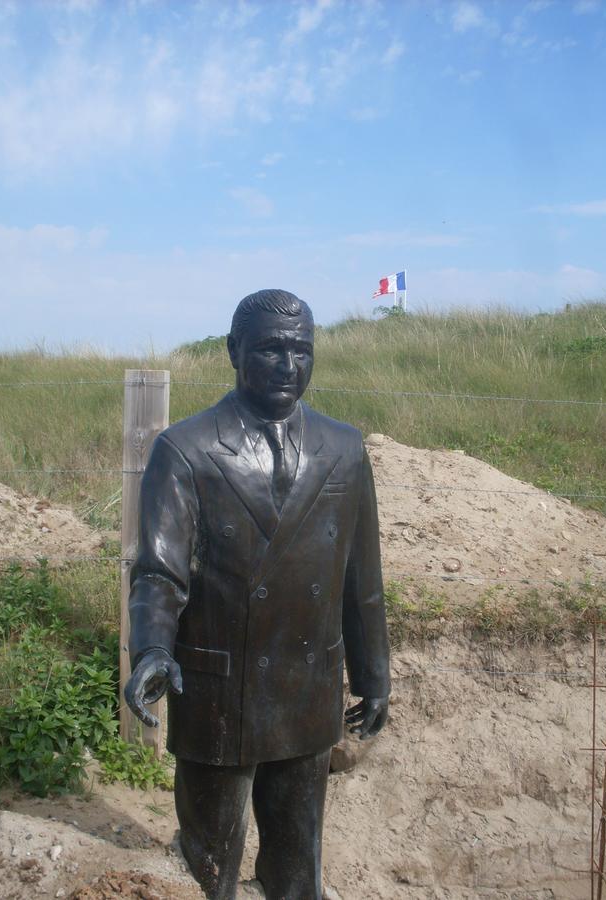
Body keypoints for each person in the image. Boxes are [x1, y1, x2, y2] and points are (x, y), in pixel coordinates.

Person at [124, 289, 390, 900]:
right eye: (270, 350)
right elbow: (159, 573)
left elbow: (362, 580)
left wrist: (374, 676)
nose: (287, 366)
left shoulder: (345, 450)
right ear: (232, 350)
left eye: (301, 351)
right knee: (209, 864)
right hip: (220, 689)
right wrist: (151, 652)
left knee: (299, 864)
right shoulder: (186, 449)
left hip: (307, 686)